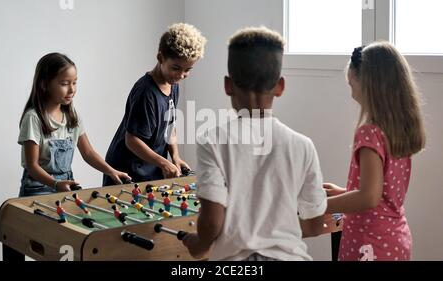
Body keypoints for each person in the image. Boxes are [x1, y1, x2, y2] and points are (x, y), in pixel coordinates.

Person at [182, 26, 326, 261]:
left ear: (228, 85)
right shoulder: (303, 145)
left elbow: (212, 221)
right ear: (280, 86)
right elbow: (315, 225)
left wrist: (199, 244)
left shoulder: (212, 140)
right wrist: (276, 232)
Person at [324, 42, 426, 261]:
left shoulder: (370, 133)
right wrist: (344, 193)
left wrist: (320, 205)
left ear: (369, 86)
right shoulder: (397, 129)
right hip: (395, 238)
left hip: (369, 245)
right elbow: (381, 196)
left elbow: (369, 197)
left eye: (352, 86)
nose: (352, 95)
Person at [103, 23, 207, 185]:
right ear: (160, 58)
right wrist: (164, 163)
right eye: (176, 68)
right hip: (126, 171)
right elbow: (132, 140)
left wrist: (175, 157)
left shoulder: (173, 85)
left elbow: (170, 127)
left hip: (150, 168)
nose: (181, 75)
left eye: (188, 70)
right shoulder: (146, 93)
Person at [18, 53, 131, 197]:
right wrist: (55, 184)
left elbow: (88, 153)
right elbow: (32, 166)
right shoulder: (33, 118)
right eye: (64, 83)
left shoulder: (72, 116)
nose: (72, 89)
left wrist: (110, 171)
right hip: (37, 189)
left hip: (65, 185)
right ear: (44, 84)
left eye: (74, 82)